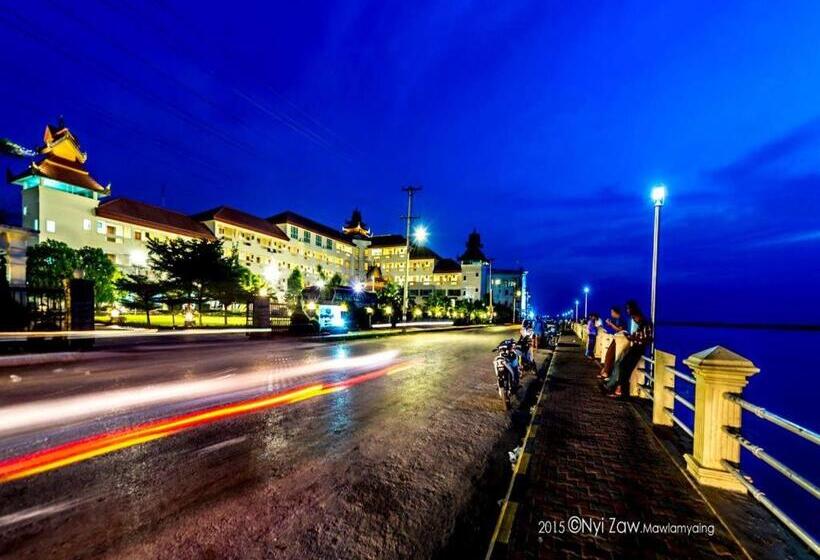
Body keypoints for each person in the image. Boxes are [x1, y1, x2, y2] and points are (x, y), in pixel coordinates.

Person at [603, 301, 653, 398]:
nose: (634, 320)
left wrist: (631, 336)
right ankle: (618, 388)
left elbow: (643, 337)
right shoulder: (640, 322)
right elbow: (637, 336)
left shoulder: (644, 323)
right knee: (622, 365)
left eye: (628, 309)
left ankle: (620, 390)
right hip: (635, 347)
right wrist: (631, 336)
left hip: (638, 348)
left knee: (625, 367)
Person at [598, 307, 626, 379]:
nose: (611, 314)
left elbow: (619, 329)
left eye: (612, 312)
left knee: (609, 355)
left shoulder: (621, 319)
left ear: (615, 312)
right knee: (609, 355)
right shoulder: (617, 319)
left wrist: (610, 324)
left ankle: (606, 372)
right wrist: (610, 324)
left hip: (620, 340)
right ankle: (606, 371)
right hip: (616, 338)